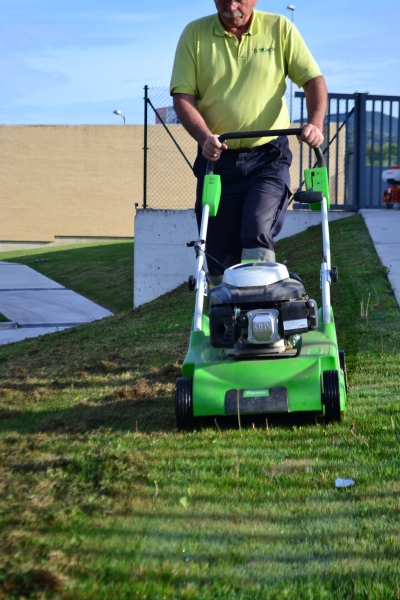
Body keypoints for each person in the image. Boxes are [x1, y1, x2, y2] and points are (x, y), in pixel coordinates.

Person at [170, 0, 328, 284]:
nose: (231, 6)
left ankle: (259, 309)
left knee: (256, 228)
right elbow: (183, 96)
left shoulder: (279, 28)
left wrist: (315, 123)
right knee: (216, 248)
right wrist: (205, 137)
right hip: (217, 159)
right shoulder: (194, 34)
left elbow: (312, 79)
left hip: (268, 156)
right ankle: (225, 316)